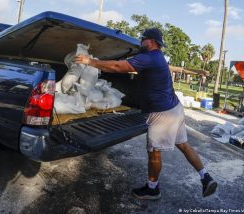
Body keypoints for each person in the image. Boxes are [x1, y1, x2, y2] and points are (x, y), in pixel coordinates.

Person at [74, 28, 217, 200]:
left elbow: (119, 67)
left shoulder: (149, 57)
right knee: (184, 145)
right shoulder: (158, 58)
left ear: (150, 41)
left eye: (142, 40)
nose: (141, 43)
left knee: (154, 152)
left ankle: (152, 189)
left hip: (163, 114)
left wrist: (90, 61)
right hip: (174, 109)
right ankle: (205, 177)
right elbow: (128, 64)